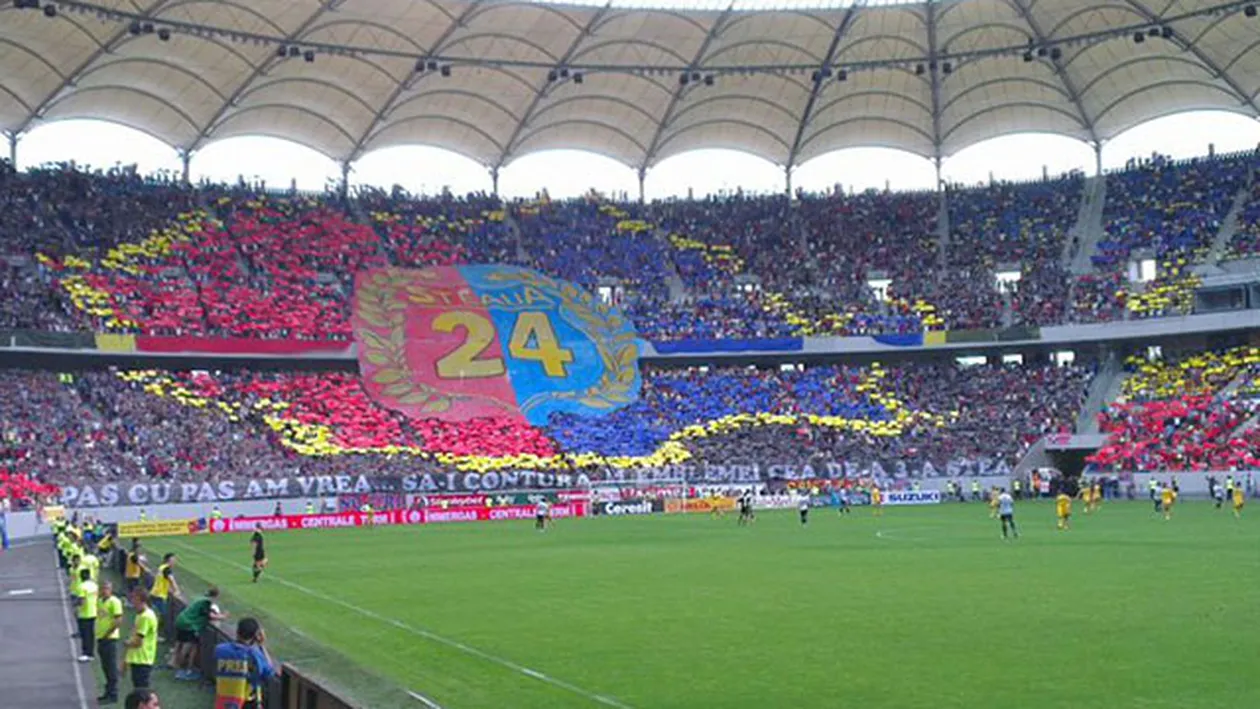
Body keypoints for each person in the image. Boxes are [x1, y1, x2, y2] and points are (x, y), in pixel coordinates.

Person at [214, 617, 277, 709]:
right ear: (255, 636)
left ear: (237, 631)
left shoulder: (220, 649)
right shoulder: (255, 655)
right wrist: (262, 646)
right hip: (245, 703)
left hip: (223, 703)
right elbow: (270, 671)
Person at [173, 587, 227, 680]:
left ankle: (176, 665)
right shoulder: (206, 602)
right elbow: (209, 615)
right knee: (189, 647)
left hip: (181, 621)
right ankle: (182, 670)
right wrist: (222, 617)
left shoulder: (200, 598)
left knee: (181, 644)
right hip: (189, 625)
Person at [124, 588, 158, 691]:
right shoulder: (141, 615)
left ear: (140, 599)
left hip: (143, 659)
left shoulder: (145, 617)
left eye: (134, 598)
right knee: (139, 690)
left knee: (141, 692)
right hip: (139, 658)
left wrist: (127, 643)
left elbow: (138, 641)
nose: (132, 601)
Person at [97, 580, 124, 705]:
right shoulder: (100, 601)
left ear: (111, 589)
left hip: (110, 639)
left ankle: (113, 694)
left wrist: (108, 634)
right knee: (105, 667)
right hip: (101, 638)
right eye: (102, 588)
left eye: (107, 588)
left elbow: (118, 620)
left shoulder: (114, 601)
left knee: (111, 667)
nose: (104, 590)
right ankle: (107, 692)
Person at [149, 553, 179, 630]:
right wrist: (176, 590)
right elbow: (172, 580)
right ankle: (154, 632)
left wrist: (170, 589)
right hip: (159, 595)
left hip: (154, 593)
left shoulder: (161, 567)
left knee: (155, 614)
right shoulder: (167, 569)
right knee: (161, 616)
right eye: (173, 560)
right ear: (169, 560)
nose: (175, 562)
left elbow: (163, 581)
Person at [74, 568, 99, 662]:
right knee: (90, 634)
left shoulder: (81, 586)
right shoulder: (94, 585)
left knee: (85, 634)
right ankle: (91, 653)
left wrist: (75, 604)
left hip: (84, 613)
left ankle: (86, 653)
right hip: (93, 611)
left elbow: (81, 600)